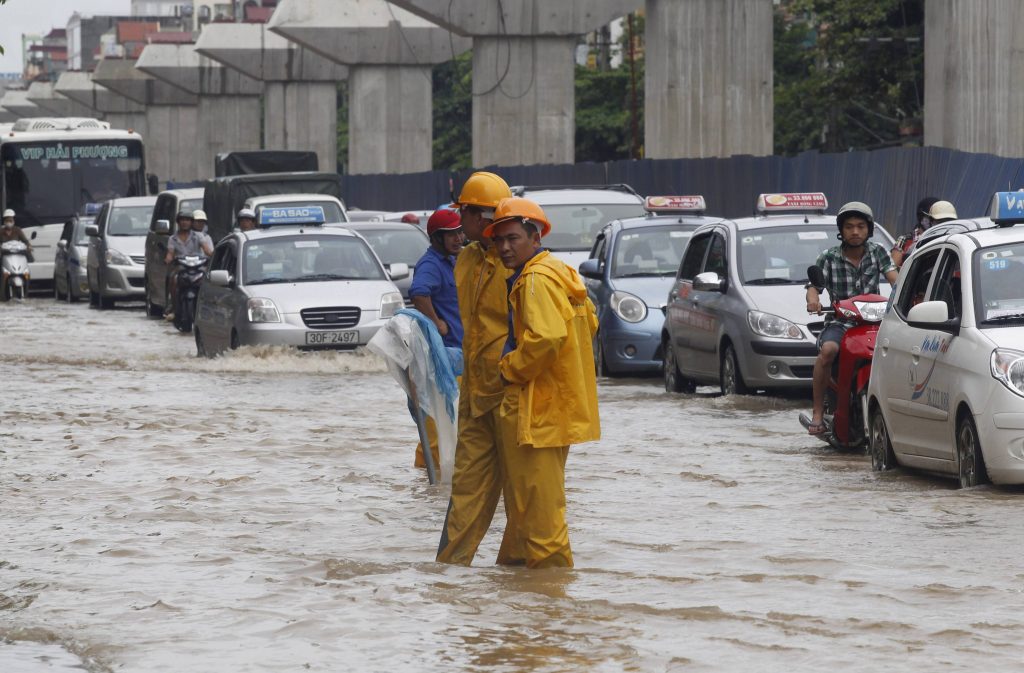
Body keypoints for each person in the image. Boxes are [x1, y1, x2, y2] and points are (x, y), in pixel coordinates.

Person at [485, 196, 600, 568]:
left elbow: (547, 338)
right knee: (525, 511)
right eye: (499, 239)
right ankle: (517, 594)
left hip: (536, 411)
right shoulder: (560, 273)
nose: (504, 247)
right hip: (555, 408)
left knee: (539, 518)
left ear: (535, 238)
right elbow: (589, 324)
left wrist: (509, 368)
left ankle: (551, 608)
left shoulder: (534, 280)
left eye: (513, 238)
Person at [435, 171, 518, 566]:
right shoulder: (466, 259)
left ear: (480, 216)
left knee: (525, 501)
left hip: (513, 397)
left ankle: (524, 584)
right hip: (476, 396)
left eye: (463, 213)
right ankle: (449, 575)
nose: (458, 222)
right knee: (466, 489)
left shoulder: (519, 264)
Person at [805, 202, 898, 435]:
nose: (855, 232)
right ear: (841, 230)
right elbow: (813, 288)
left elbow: (896, 281)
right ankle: (817, 412)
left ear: (868, 229)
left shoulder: (878, 252)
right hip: (840, 323)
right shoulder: (828, 257)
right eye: (849, 227)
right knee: (827, 351)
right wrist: (813, 300)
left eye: (860, 226)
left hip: (875, 324)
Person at [408, 209, 464, 470]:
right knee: (435, 431)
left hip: (456, 357)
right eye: (450, 234)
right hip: (442, 359)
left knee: (449, 428)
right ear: (436, 238)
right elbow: (419, 294)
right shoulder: (431, 264)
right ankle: (430, 486)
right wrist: (437, 322)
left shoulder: (451, 260)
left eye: (459, 232)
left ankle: (429, 486)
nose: (458, 238)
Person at [163, 210, 212, 320]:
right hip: (181, 268)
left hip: (198, 268)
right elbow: (170, 253)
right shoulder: (172, 239)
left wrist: (214, 256)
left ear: (191, 222)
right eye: (182, 220)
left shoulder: (198, 236)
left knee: (207, 281)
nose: (185, 222)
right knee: (173, 280)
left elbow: (207, 250)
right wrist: (167, 259)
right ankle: (174, 308)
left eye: (187, 220)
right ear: (178, 222)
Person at [891, 196, 937, 268]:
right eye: (931, 218)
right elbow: (892, 268)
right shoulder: (904, 240)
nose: (934, 222)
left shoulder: (945, 238)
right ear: (921, 217)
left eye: (937, 219)